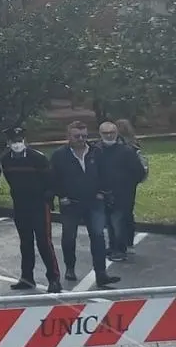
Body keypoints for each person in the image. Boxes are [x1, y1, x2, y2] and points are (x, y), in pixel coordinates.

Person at [50, 121, 119, 288]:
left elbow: (107, 174)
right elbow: (53, 178)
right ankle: (70, 268)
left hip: (94, 202)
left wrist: (102, 192)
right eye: (77, 136)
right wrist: (62, 196)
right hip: (70, 203)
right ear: (68, 137)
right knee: (68, 238)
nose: (81, 139)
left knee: (98, 237)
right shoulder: (59, 155)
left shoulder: (97, 152)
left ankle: (101, 274)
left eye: (84, 136)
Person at [0, 126, 62, 293]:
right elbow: (10, 179)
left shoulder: (37, 158)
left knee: (44, 242)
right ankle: (27, 278)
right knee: (25, 243)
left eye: (20, 141)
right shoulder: (6, 159)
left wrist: (47, 197)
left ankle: (54, 279)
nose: (18, 144)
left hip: (39, 206)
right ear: (8, 143)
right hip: (20, 206)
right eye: (14, 141)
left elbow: (51, 180)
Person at [99, 121, 147, 262]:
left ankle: (120, 249)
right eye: (105, 133)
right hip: (103, 193)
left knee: (118, 221)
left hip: (123, 193)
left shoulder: (126, 151)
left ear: (116, 133)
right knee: (109, 222)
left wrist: (127, 186)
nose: (109, 136)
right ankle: (113, 246)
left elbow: (138, 172)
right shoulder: (96, 150)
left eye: (111, 133)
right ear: (101, 134)